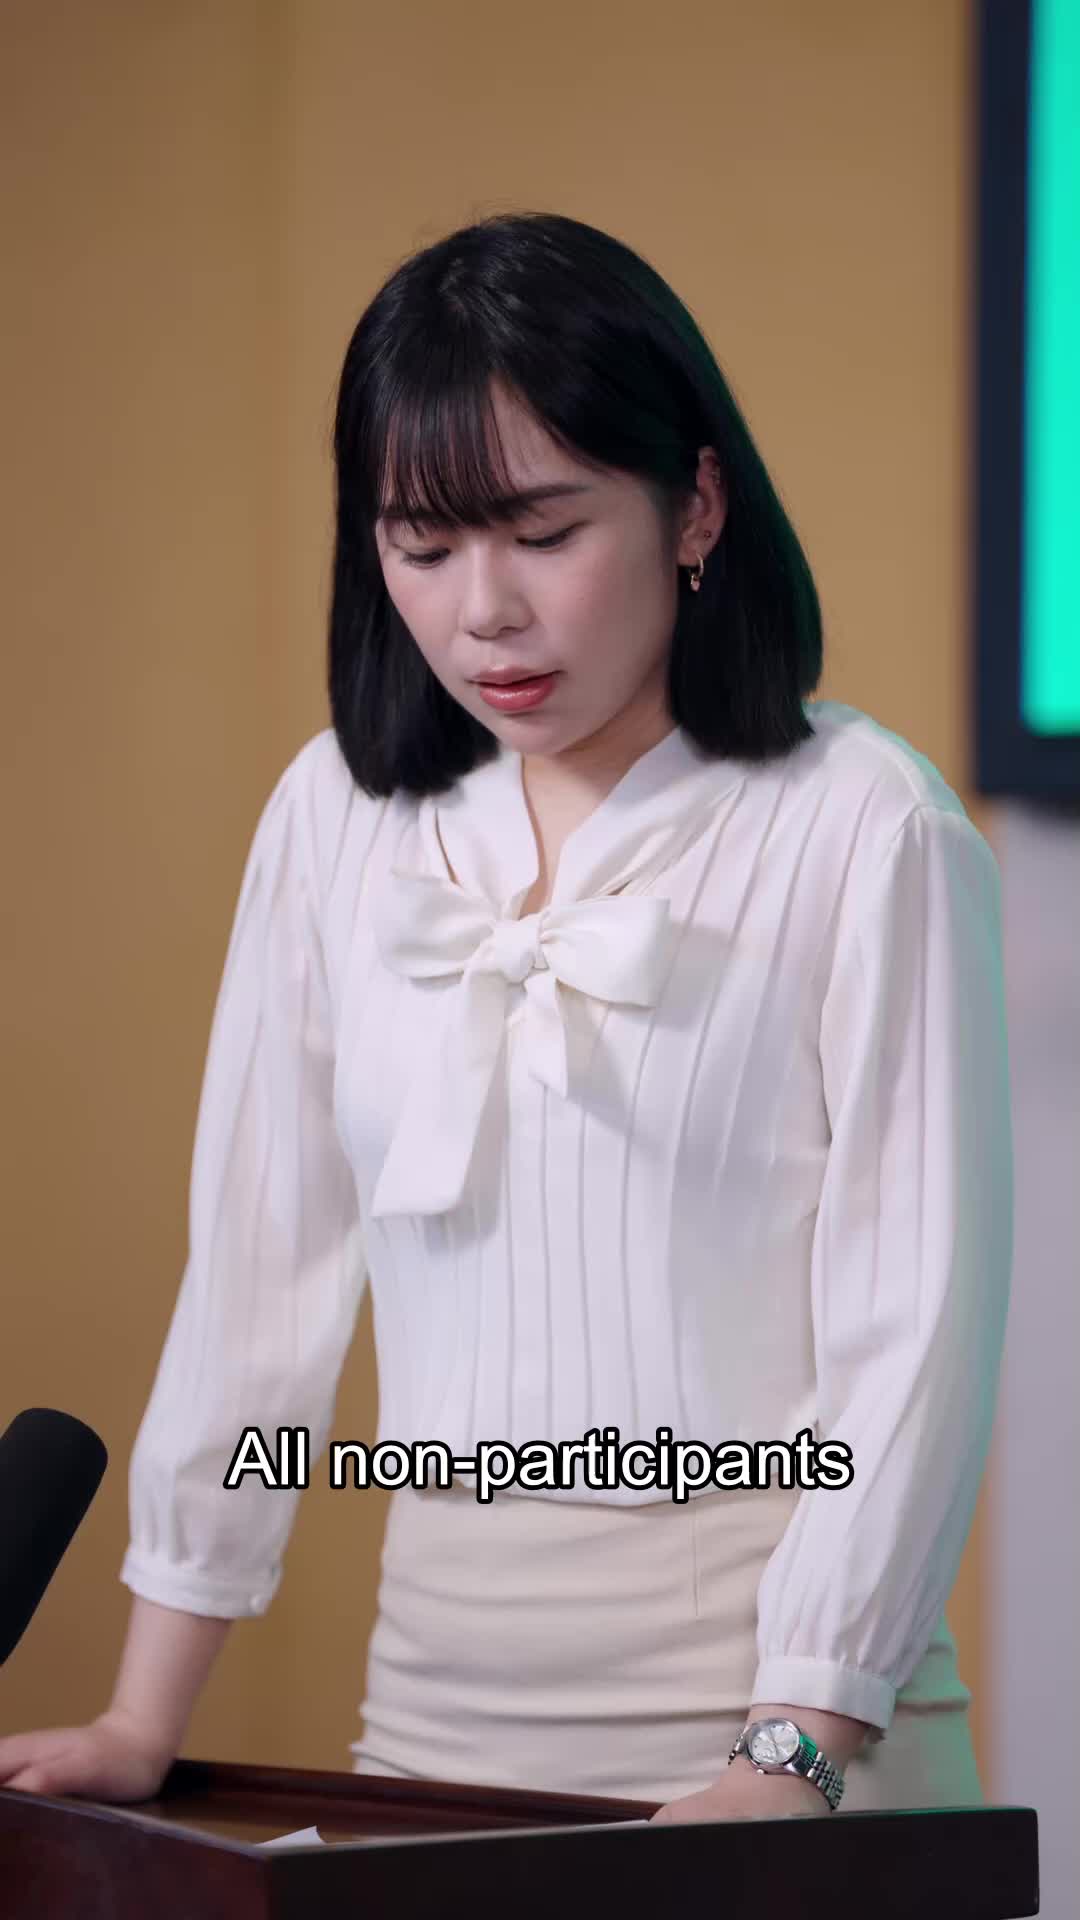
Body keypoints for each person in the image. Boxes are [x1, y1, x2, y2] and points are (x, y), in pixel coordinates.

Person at [0, 211, 1012, 1821]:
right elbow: (257, 1285)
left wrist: (792, 1751)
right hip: (434, 1749)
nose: (485, 611)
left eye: (543, 533)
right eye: (422, 546)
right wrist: (141, 1718)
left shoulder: (863, 826)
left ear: (695, 503)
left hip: (792, 1765)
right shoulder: (337, 817)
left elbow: (917, 1339)